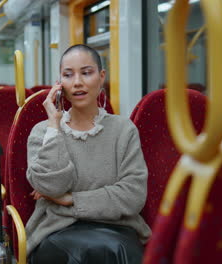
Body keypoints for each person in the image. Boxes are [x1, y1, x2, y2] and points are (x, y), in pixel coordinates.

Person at [25, 44, 151, 263]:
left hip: (117, 229)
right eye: (68, 75)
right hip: (56, 230)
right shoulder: (43, 131)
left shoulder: (124, 130)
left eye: (86, 73)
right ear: (59, 83)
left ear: (101, 77)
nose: (77, 82)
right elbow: (51, 186)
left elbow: (133, 195)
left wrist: (69, 200)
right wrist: (54, 126)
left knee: (111, 250)